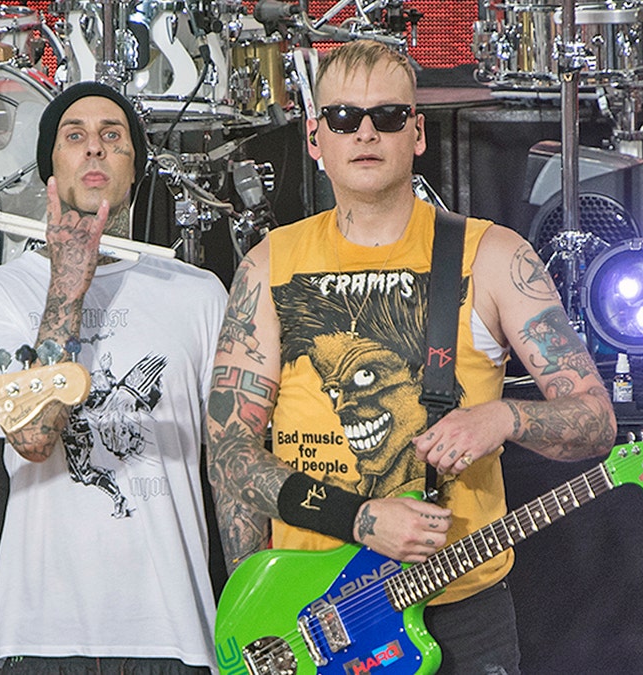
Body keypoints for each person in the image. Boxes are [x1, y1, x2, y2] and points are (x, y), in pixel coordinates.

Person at [206, 40, 617, 673]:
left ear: (417, 133)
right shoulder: (268, 265)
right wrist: (260, 605)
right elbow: (232, 451)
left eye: (389, 117)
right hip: (305, 620)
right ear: (316, 139)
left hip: (460, 609)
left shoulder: (493, 255)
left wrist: (506, 417)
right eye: (343, 118)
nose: (365, 132)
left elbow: (595, 420)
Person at [0, 82, 227, 673]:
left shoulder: (198, 292)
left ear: (137, 166)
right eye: (74, 136)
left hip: (175, 630)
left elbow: (232, 463)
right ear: (47, 165)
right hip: (42, 630)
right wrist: (68, 284)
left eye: (114, 137)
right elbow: (32, 439)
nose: (95, 150)